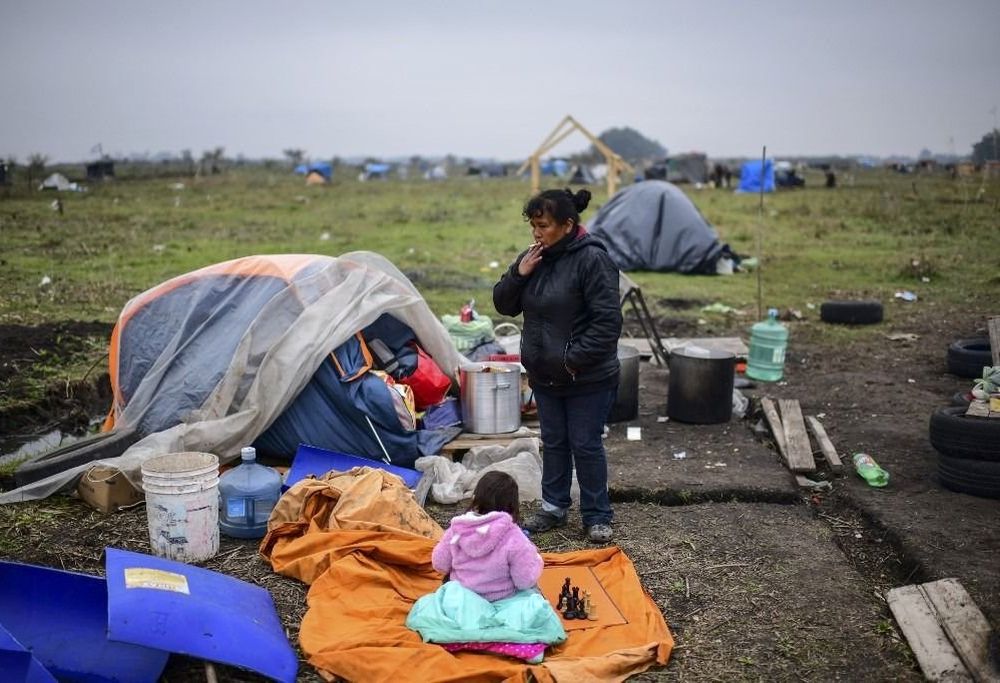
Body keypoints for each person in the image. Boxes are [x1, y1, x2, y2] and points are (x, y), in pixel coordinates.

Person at [493, 188, 622, 544]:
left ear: (567, 225)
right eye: (533, 226)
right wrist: (519, 273)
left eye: (544, 226)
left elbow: (607, 323)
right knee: (553, 442)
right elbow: (504, 304)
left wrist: (571, 361)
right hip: (546, 374)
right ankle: (553, 507)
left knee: (585, 443)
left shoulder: (593, 260)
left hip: (587, 376)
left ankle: (597, 515)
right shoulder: (534, 258)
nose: (537, 233)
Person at [431, 471, 543, 601]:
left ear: (474, 498)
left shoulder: (458, 528)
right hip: (503, 602)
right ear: (513, 505)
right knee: (534, 594)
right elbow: (524, 580)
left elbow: (439, 564)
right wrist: (537, 559)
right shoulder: (513, 535)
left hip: (461, 601)